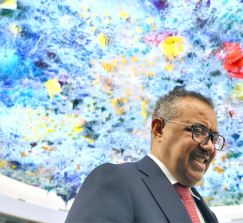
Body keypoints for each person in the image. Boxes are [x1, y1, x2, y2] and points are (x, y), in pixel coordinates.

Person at [65, 89, 225, 223]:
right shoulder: (115, 180)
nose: (210, 147)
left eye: (214, 138)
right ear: (159, 129)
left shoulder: (208, 214)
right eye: (198, 131)